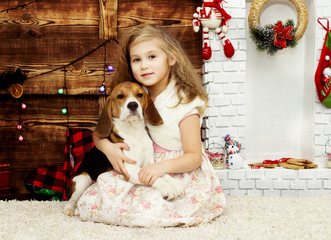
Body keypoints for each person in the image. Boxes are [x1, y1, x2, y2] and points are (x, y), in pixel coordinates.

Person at [75, 25, 226, 227]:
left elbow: (194, 156)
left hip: (178, 168)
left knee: (158, 205)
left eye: (152, 57)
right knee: (100, 198)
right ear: (130, 65)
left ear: (171, 59)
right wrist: (108, 149)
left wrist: (161, 167)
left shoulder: (185, 101)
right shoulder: (134, 93)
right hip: (141, 166)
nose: (144, 65)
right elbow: (99, 134)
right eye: (137, 59)